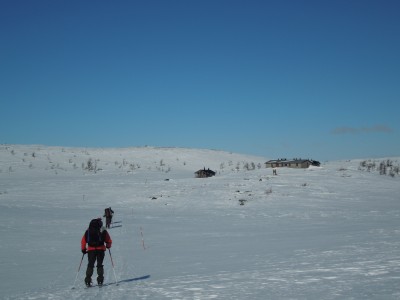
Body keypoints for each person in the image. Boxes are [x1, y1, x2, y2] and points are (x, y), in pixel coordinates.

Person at [81, 218, 112, 287]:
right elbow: (108, 240)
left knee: (90, 264)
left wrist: (83, 249)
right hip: (100, 249)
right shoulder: (103, 230)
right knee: (99, 264)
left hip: (91, 250)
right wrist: (108, 246)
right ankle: (100, 280)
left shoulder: (88, 231)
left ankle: (88, 280)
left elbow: (83, 240)